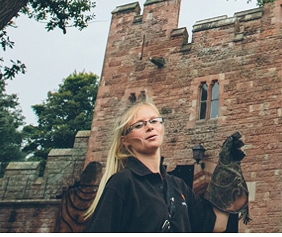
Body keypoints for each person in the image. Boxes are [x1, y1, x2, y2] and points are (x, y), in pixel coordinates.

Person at [83, 99, 248, 232]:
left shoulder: (178, 187)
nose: (149, 126)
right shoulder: (123, 183)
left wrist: (226, 170)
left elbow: (217, 224)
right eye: (139, 125)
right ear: (125, 141)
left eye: (154, 121)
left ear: (161, 127)